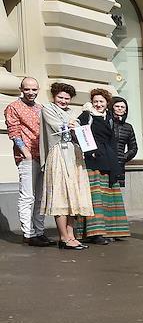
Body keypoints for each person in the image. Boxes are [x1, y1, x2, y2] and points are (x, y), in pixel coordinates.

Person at [39, 82, 93, 250]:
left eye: (67, 98)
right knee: (61, 195)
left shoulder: (72, 112)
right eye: (60, 97)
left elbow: (80, 130)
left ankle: (71, 235)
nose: (63, 101)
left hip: (74, 154)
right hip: (58, 154)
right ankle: (63, 237)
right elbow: (58, 127)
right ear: (54, 96)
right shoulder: (47, 109)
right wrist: (73, 125)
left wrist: (79, 125)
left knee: (73, 196)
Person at [77, 88, 131, 244]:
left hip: (109, 158)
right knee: (96, 198)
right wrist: (89, 151)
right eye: (95, 101)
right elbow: (80, 132)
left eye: (101, 101)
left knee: (109, 197)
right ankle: (95, 233)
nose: (98, 104)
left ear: (107, 103)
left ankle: (110, 230)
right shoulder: (87, 115)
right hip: (93, 159)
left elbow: (113, 139)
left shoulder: (109, 117)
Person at [4, 76, 52, 246]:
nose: (31, 92)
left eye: (34, 89)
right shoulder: (13, 107)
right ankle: (28, 234)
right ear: (21, 89)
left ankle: (39, 231)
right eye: (27, 89)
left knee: (41, 198)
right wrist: (25, 152)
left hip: (43, 156)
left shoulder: (41, 108)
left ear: (38, 90)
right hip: (27, 158)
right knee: (27, 197)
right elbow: (14, 131)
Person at [110, 96, 139, 187]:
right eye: (117, 106)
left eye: (122, 107)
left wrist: (124, 157)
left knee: (117, 190)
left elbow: (133, 148)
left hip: (120, 165)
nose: (119, 108)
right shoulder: (107, 123)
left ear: (125, 110)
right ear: (112, 108)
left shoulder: (128, 127)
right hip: (106, 162)